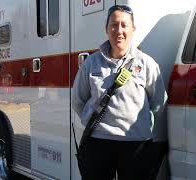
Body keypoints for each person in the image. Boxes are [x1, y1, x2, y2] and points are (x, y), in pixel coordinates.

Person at [71, 4, 168, 180]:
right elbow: (78, 100)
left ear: (133, 29)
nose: (119, 30)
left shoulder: (147, 64)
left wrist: (142, 127)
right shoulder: (91, 64)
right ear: (106, 29)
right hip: (98, 144)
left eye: (124, 25)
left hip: (136, 145)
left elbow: (159, 102)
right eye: (114, 25)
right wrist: (94, 123)